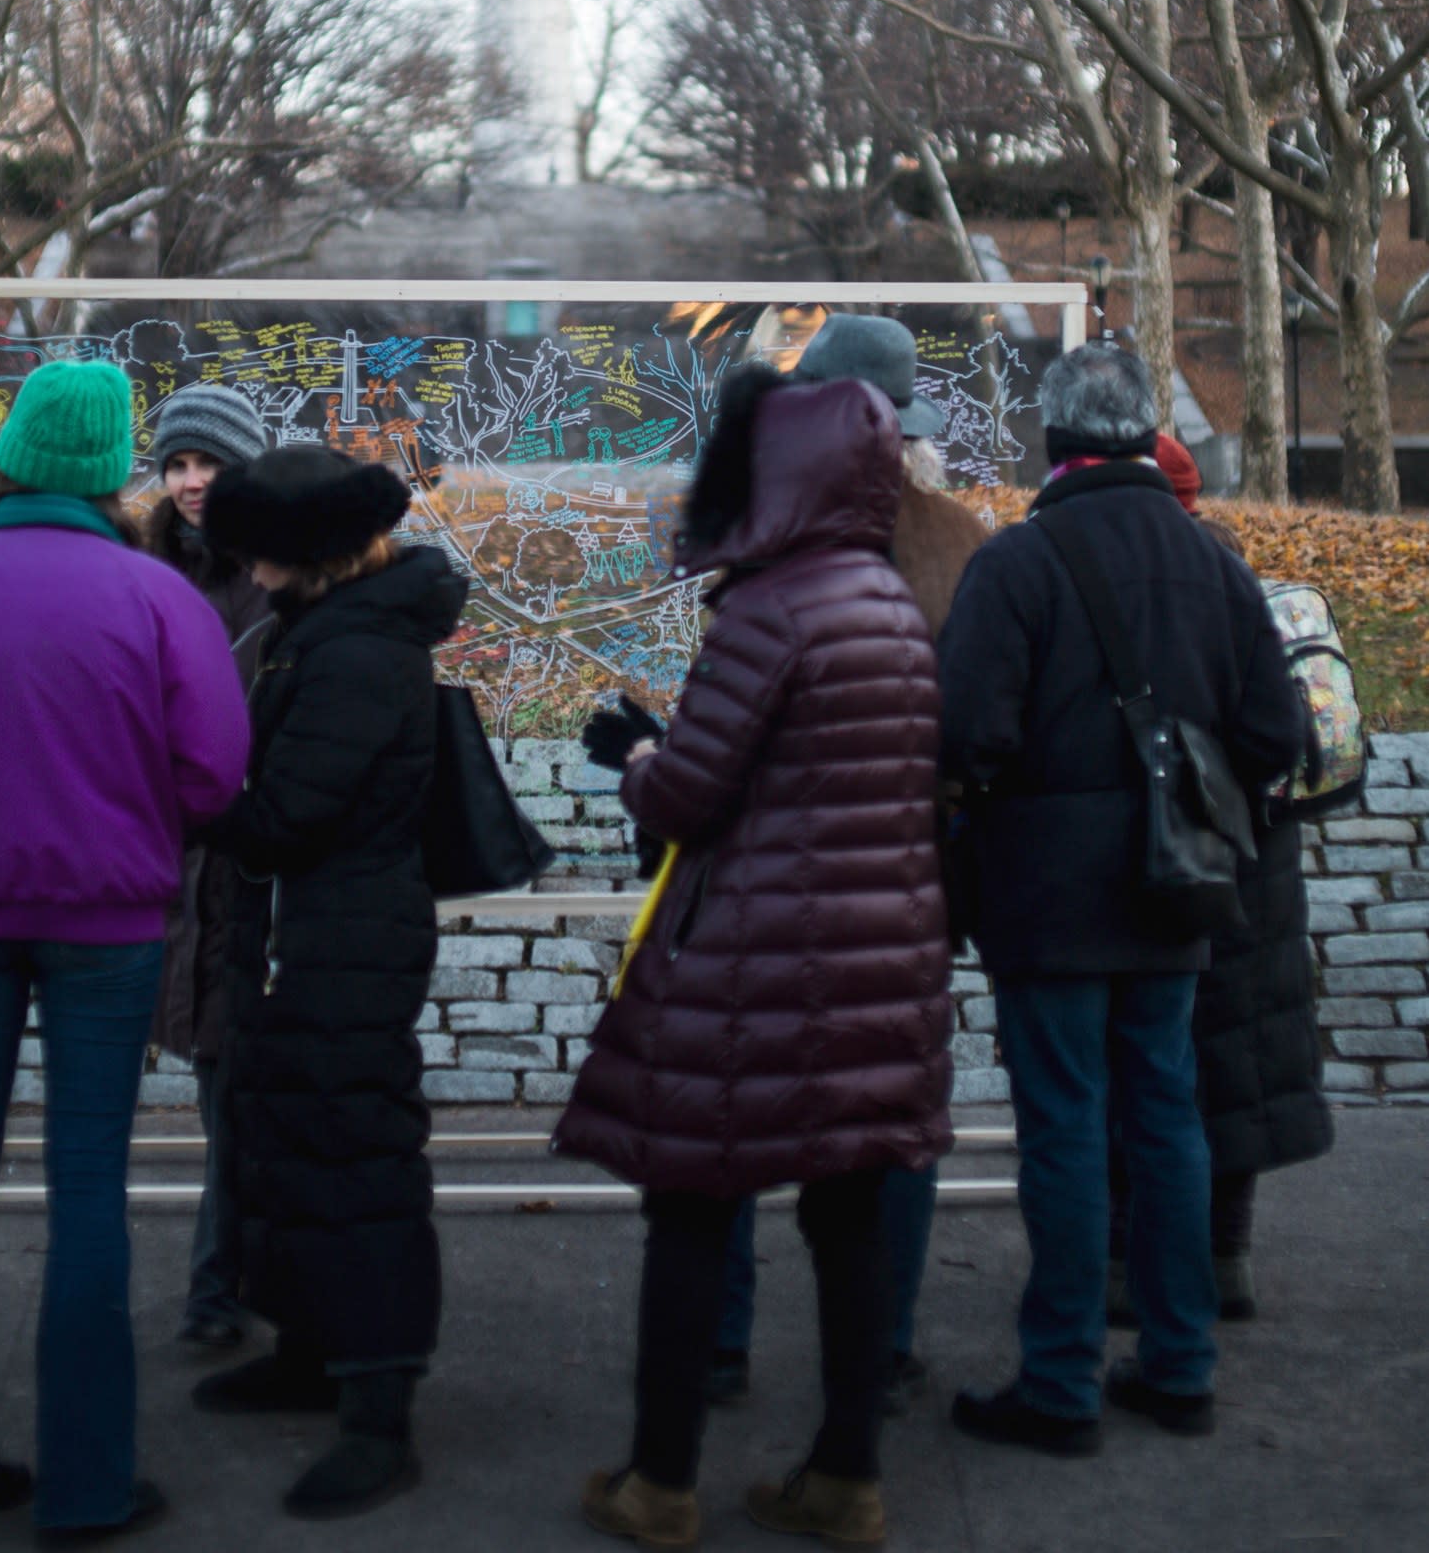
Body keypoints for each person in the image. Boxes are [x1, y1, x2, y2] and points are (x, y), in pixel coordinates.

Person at [0, 359, 250, 1540]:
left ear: (15, 452)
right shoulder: (155, 597)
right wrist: (137, 823)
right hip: (110, 924)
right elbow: (213, 770)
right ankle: (85, 1487)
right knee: (89, 1192)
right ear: (113, 467)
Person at [557, 366, 953, 1552]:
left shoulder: (770, 611)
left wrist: (633, 754)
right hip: (878, 970)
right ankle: (846, 1479)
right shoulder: (888, 602)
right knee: (848, 1221)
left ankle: (662, 1485)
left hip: (750, 972)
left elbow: (688, 797)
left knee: (689, 1212)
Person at [937, 347, 1305, 1457]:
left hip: (1047, 900)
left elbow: (966, 737)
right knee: (1168, 1120)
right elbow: (1276, 736)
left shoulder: (1016, 565)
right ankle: (1182, 1366)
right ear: (1150, 432)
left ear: (1053, 439)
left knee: (1064, 1130)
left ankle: (1059, 1383)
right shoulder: (1217, 568)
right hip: (1175, 891)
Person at [702, 315, 989, 1417]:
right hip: (910, 874)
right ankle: (881, 1348)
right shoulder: (963, 541)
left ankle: (722, 1343)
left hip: (767, 873)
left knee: (732, 1102)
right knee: (891, 1114)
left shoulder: (767, 540)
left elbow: (726, 726)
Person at [191, 445, 468, 1519]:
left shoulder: (355, 654)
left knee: (357, 1153)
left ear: (307, 554)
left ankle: (378, 1412)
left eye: (258, 549)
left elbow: (286, 816)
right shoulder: (330, 630)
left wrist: (189, 790)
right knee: (293, 1137)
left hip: (345, 935)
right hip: (310, 934)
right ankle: (310, 1350)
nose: (246, 567)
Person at [1106, 434, 1331, 1327]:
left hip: (1167, 858)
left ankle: (1127, 1267)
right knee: (1235, 1064)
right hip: (1255, 864)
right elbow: (1284, 739)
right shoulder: (1240, 573)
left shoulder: (1135, 589)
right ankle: (1227, 1258)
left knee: (1142, 1070)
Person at [142, 384, 273, 1350]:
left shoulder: (276, 572)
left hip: (252, 860)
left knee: (236, 1092)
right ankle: (224, 1287)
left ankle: (216, 1292)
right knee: (218, 1086)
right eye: (178, 464)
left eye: (209, 464)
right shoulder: (141, 565)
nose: (191, 482)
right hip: (164, 863)